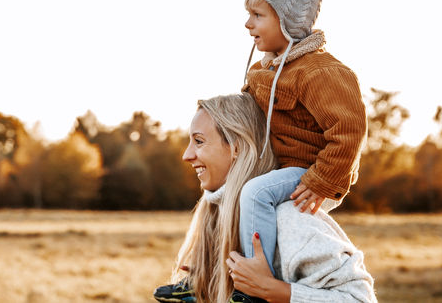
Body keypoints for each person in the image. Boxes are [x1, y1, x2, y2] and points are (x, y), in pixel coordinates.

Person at [153, 94, 374, 303]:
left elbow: (360, 299)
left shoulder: (289, 218)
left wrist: (273, 290)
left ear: (237, 147)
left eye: (199, 141)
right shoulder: (219, 217)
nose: (187, 155)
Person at [237, 0, 367, 278]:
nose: (248, 23)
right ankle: (204, 274)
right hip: (278, 167)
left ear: (288, 19)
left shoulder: (321, 72)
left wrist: (322, 179)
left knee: (255, 193)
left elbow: (349, 130)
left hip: (309, 170)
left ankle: (256, 279)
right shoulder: (263, 71)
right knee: (220, 192)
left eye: (258, 15)